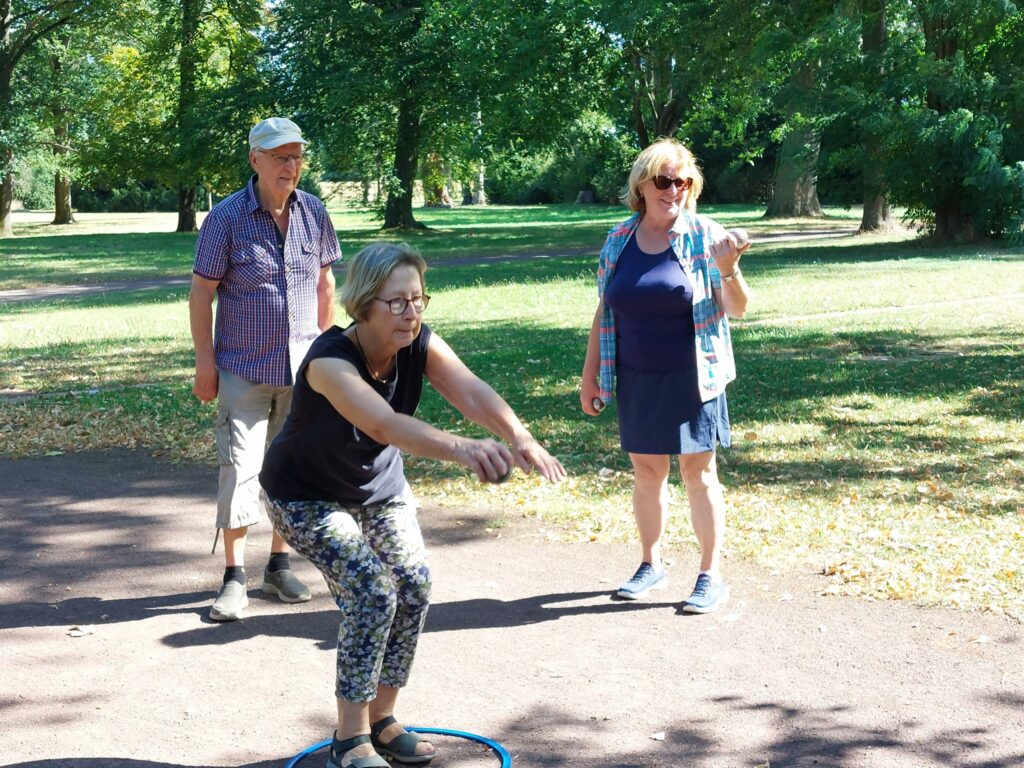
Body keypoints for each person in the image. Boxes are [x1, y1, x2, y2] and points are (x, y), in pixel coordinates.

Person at [259, 242, 566, 768]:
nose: (411, 313)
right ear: (363, 304)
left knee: (413, 582)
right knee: (372, 591)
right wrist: (464, 449)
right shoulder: (330, 360)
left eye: (419, 300)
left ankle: (383, 720)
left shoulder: (418, 341)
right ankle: (349, 740)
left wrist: (519, 435)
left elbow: (468, 389)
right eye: (396, 302)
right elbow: (383, 424)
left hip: (376, 489)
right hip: (303, 495)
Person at [579, 138, 751, 614]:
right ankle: (650, 563)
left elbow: (737, 309)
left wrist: (729, 269)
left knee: (699, 472)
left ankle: (710, 574)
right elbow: (604, 309)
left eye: (682, 181)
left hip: (694, 376)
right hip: (636, 375)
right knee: (647, 473)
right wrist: (589, 375)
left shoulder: (705, 235)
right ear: (642, 185)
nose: (672, 189)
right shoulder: (618, 240)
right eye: (663, 180)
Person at [189, 117, 342, 622]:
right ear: (255, 159)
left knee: (290, 470)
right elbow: (201, 294)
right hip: (241, 370)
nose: (291, 166)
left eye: (297, 157)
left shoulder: (313, 212)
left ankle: (278, 565)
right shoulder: (226, 218)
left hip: (303, 373)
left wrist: (328, 353)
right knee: (240, 469)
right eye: (280, 157)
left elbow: (325, 285)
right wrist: (205, 365)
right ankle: (234, 577)